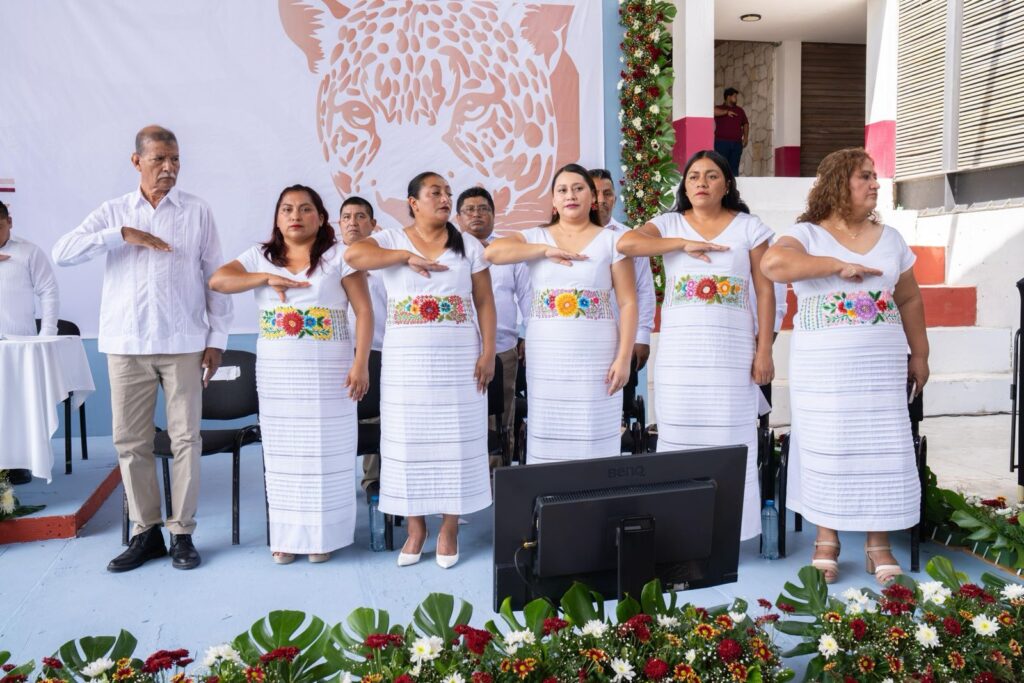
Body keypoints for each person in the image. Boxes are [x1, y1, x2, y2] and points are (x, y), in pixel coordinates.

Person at [52, 125, 232, 572]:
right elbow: (62, 252)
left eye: (175, 159)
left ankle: (182, 533)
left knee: (186, 439)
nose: (169, 168)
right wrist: (121, 234)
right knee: (131, 442)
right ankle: (146, 532)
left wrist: (217, 340)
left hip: (184, 343)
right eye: (159, 159)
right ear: (137, 162)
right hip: (126, 343)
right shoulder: (114, 212)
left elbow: (216, 277)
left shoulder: (197, 211)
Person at [761, 147, 928, 585]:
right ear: (839, 183)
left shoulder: (891, 238)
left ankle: (878, 544)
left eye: (874, 176)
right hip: (825, 370)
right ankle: (826, 540)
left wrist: (921, 354)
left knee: (881, 446)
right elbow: (773, 264)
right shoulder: (807, 235)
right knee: (828, 443)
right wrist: (837, 265)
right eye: (864, 176)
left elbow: (909, 297)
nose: (875, 183)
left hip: (881, 369)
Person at [618, 150, 776, 542]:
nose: (701, 182)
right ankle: (680, 532)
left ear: (727, 184)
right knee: (680, 443)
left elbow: (765, 291)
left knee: (729, 441)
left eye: (711, 175)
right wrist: (681, 244)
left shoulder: (750, 228)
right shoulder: (668, 223)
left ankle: (730, 533)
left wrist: (764, 351)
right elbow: (627, 243)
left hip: (731, 357)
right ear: (685, 186)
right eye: (693, 176)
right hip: (680, 358)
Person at [209, 185, 372, 564]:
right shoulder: (259, 257)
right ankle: (286, 536)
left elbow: (364, 311)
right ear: (277, 218)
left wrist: (360, 363)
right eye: (287, 209)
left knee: (326, 452)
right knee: (285, 455)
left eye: (304, 208)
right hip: (279, 373)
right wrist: (263, 279)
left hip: (331, 372)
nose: (295, 216)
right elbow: (219, 280)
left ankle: (322, 536)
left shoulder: (340, 256)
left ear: (321, 217)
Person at [345, 171, 497, 569]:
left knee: (456, 442)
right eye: (435, 193)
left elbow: (484, 301)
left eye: (447, 192)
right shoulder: (391, 240)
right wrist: (403, 257)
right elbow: (354, 256)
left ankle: (449, 528)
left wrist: (488, 352)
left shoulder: (468, 244)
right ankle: (416, 529)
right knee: (407, 442)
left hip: (459, 361)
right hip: (405, 363)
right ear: (413, 203)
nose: (445, 198)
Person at [485, 163, 637, 465]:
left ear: (592, 197)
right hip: (548, 356)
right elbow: (492, 253)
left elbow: (628, 302)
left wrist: (623, 359)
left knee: (594, 437)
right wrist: (543, 250)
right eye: (562, 190)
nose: (571, 195)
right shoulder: (535, 236)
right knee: (550, 435)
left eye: (578, 189)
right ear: (553, 200)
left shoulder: (611, 240)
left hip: (597, 356)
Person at [455, 186, 530, 464]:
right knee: (462, 417)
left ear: (494, 216)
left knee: (502, 417)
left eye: (483, 209)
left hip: (502, 348)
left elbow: (527, 295)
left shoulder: (509, 251)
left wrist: (527, 335)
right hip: (459, 350)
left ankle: (499, 476)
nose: (476, 215)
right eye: (469, 210)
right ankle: (466, 471)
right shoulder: (448, 252)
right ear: (458, 218)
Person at [338, 196, 388, 499]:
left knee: (376, 415)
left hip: (380, 349)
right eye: (346, 217)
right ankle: (336, 479)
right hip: (339, 352)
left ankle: (374, 479)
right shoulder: (330, 261)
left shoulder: (385, 265)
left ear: (373, 224)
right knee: (340, 416)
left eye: (360, 217)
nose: (352, 223)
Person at [589, 169, 656, 370]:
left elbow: (644, 288)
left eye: (607, 193)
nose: (601, 200)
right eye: (595, 193)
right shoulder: (568, 238)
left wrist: (642, 336)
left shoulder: (629, 238)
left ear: (615, 199)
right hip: (582, 338)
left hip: (622, 344)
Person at [0, 201, 59, 337]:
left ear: (9, 222)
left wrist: (48, 333)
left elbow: (48, 291)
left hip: (21, 342)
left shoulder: (30, 252)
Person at [714, 88, 749, 176]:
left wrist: (745, 138)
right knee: (721, 167)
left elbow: (745, 124)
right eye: (734, 96)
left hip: (737, 144)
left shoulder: (740, 110)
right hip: (721, 143)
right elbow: (712, 112)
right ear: (728, 97)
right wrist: (726, 112)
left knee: (734, 168)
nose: (736, 98)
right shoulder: (719, 108)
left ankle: (733, 184)